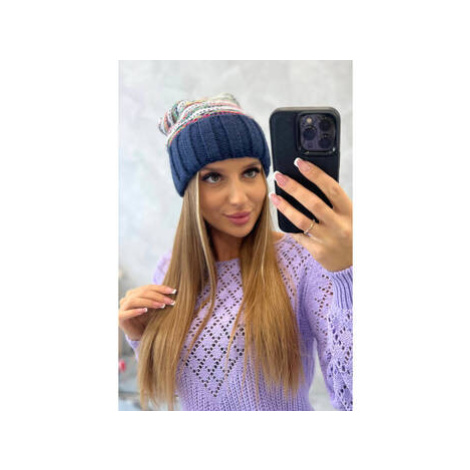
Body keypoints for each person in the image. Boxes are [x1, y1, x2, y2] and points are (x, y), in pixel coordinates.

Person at [118, 93, 353, 411]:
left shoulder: (302, 260)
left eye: (250, 172)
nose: (239, 198)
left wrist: (347, 275)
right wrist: (141, 338)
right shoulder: (168, 269)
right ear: (189, 190)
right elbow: (177, 390)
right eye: (214, 177)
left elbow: (350, 398)